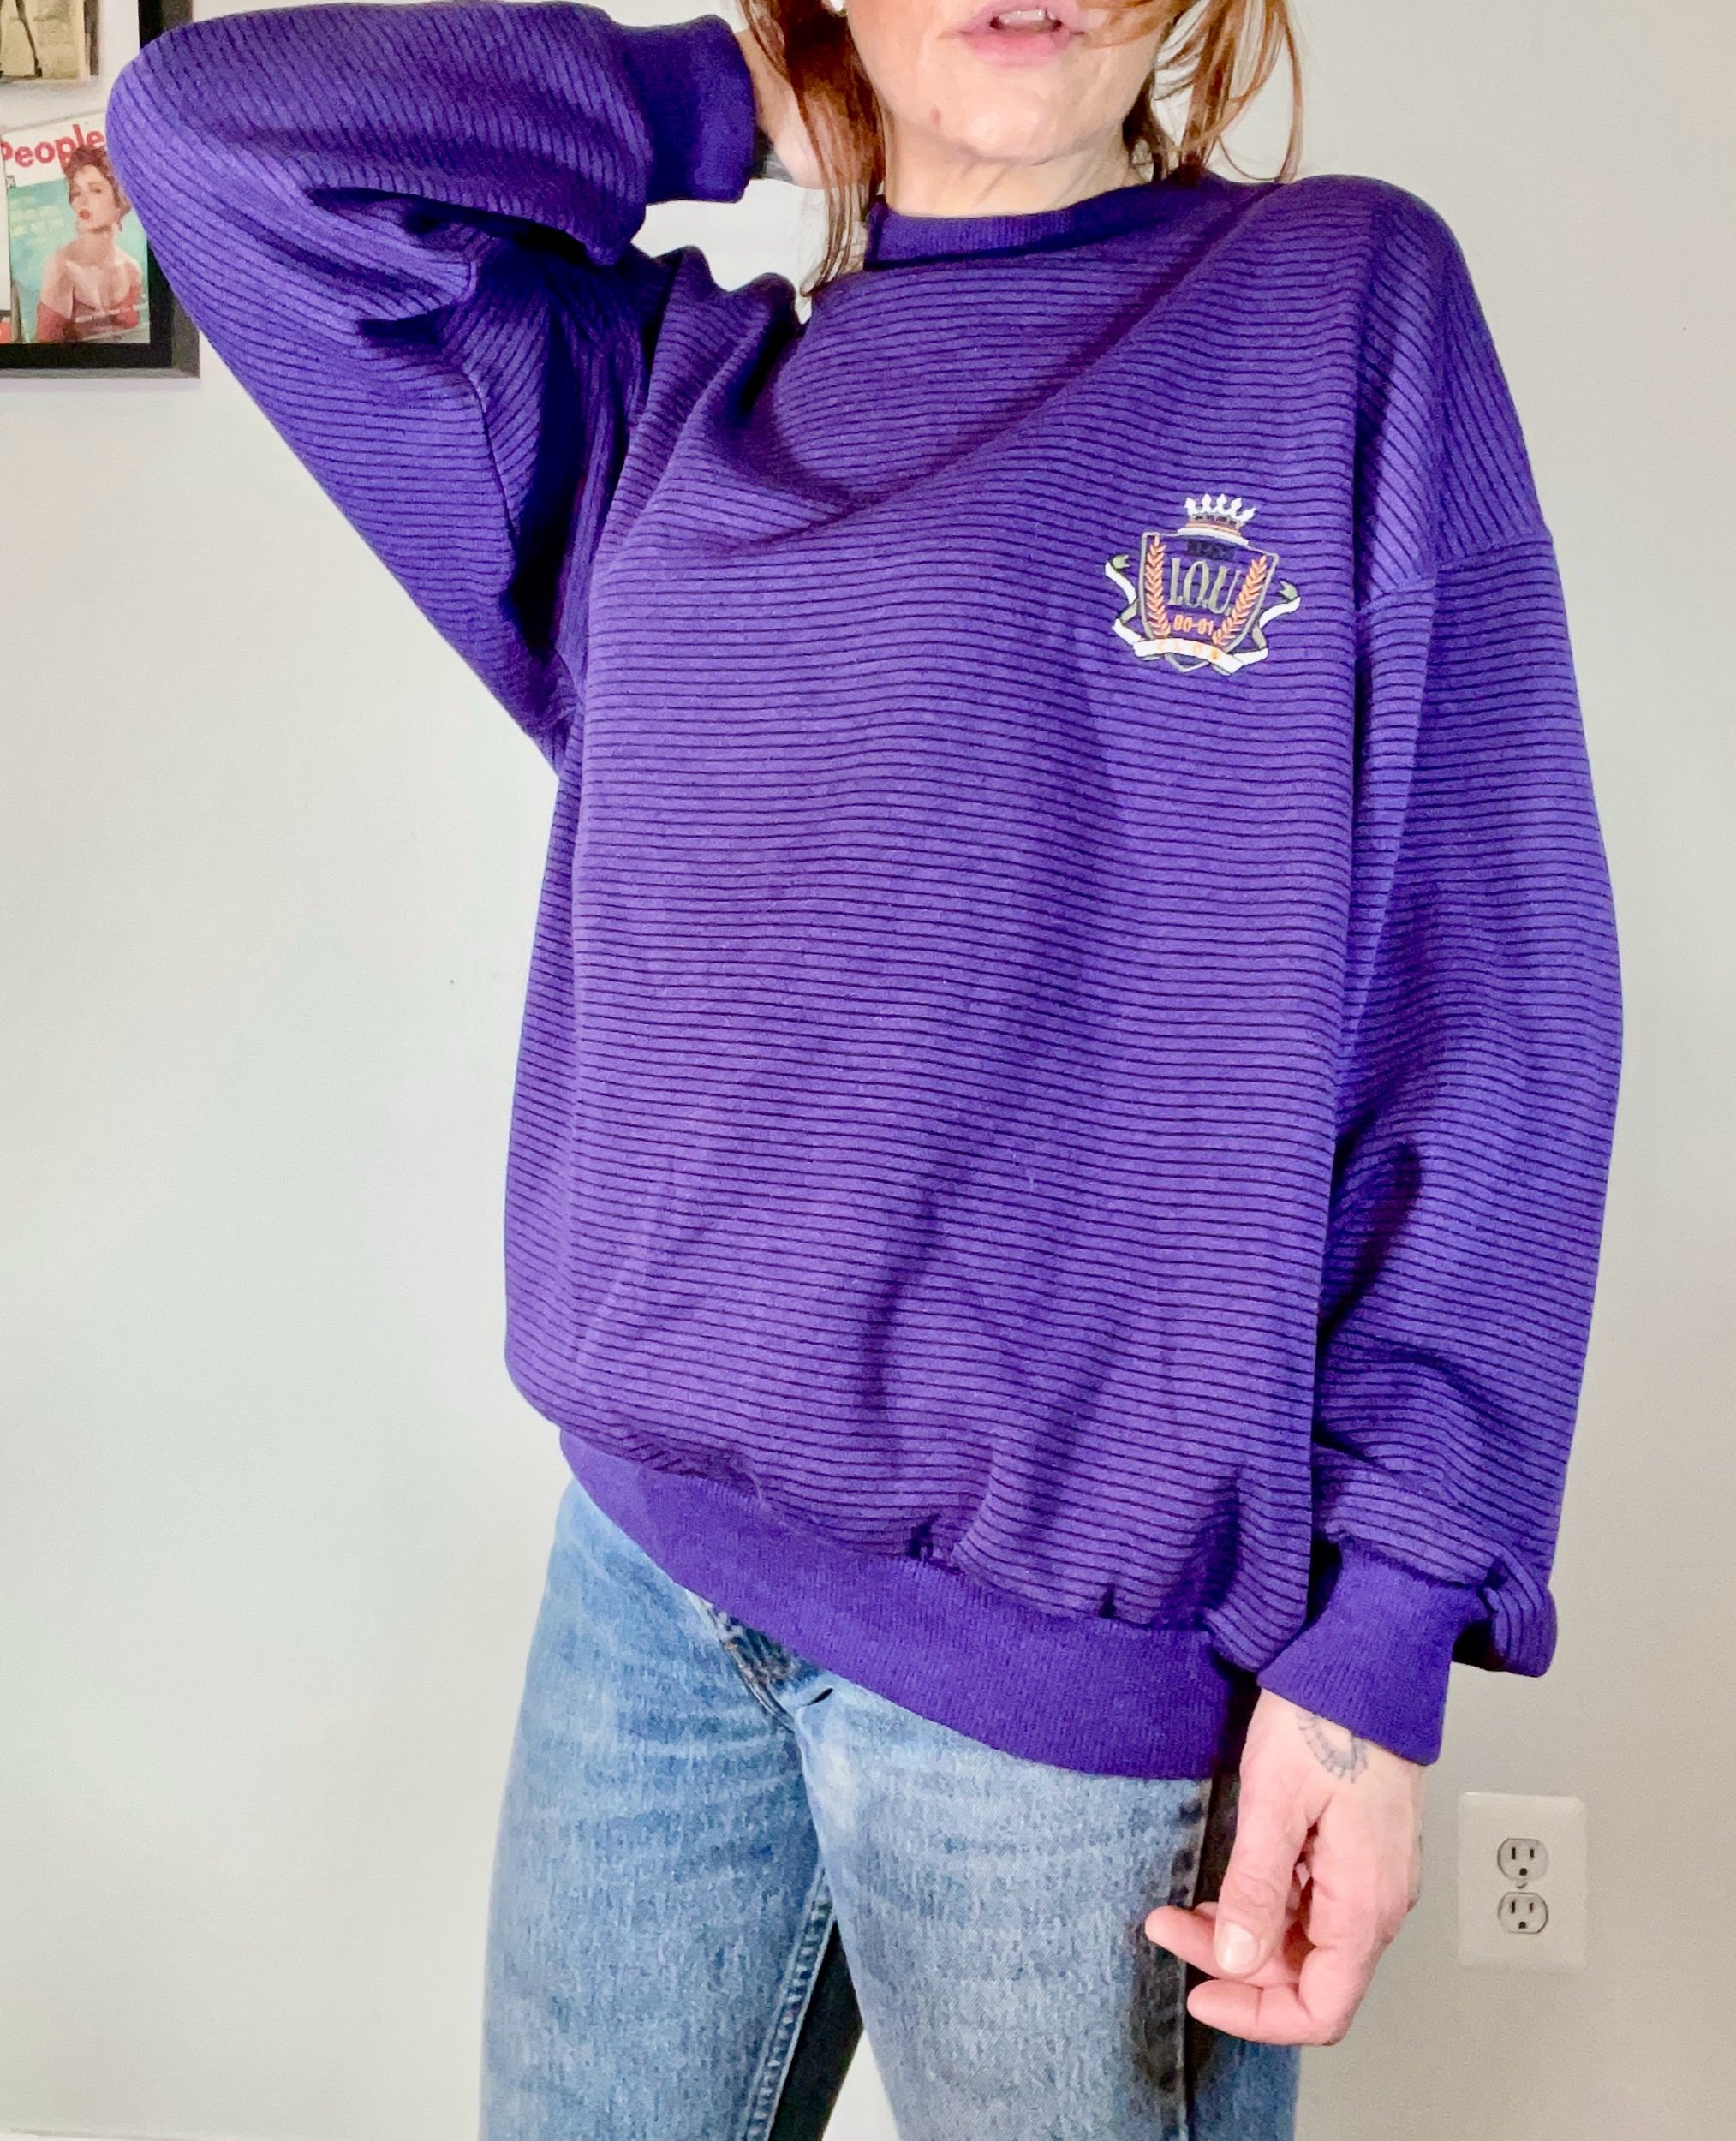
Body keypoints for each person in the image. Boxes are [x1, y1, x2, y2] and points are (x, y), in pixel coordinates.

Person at [105, 2, 1622, 2135]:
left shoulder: (1335, 307)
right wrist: (733, 93)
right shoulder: (660, 402)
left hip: (1071, 1691)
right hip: (647, 1592)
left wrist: (1377, 1651)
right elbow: (207, 134)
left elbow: (1496, 1008)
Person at [33, 140, 143, 344]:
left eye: (96, 190)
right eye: (77, 192)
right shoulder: (61, 267)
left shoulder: (132, 270)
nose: (82, 201)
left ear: (119, 200)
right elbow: (44, 351)